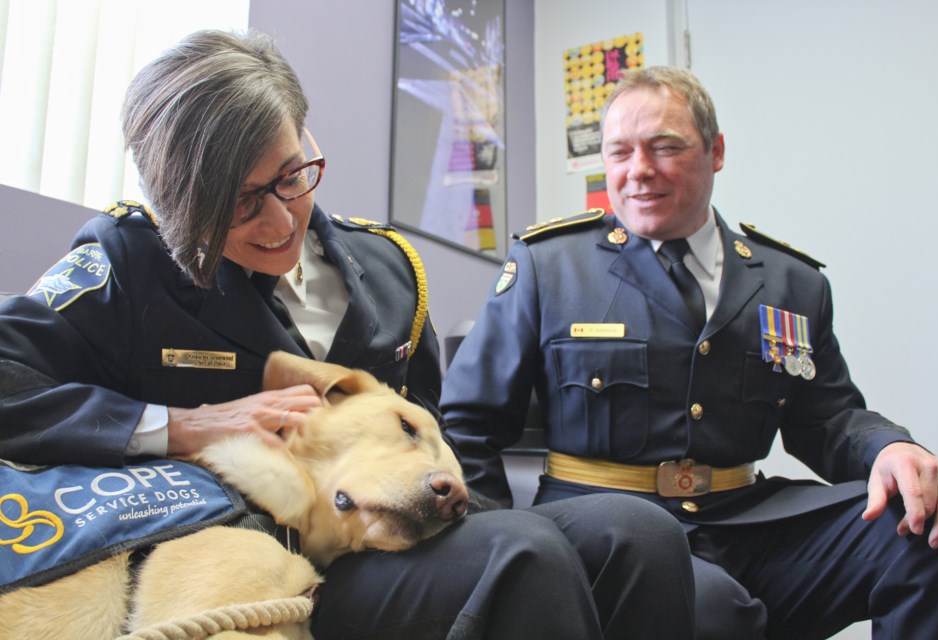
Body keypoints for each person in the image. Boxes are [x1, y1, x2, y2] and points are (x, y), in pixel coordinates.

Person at [0, 31, 697, 639]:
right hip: (260, 555)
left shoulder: (391, 270)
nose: (278, 224)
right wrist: (178, 425)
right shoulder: (129, 263)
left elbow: (436, 432)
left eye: (292, 177)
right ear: (176, 200)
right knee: (522, 554)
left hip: (403, 525)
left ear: (306, 135)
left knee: (639, 534)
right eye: (239, 205)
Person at [440, 65, 938, 640]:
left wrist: (891, 448)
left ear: (715, 151)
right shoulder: (550, 265)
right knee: (713, 610)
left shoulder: (791, 281)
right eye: (619, 153)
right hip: (604, 529)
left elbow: (827, 419)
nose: (638, 171)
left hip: (745, 517)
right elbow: (468, 425)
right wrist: (497, 555)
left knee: (934, 523)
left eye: (665, 148)